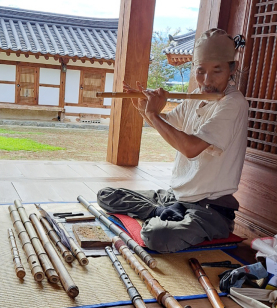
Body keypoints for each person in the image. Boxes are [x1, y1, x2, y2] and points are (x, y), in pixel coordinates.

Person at [97, 28, 249, 253]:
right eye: (200, 71)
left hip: (210, 208)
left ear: (231, 69)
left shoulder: (233, 104)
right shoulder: (196, 98)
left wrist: (153, 116)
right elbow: (169, 122)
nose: (207, 80)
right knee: (106, 196)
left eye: (216, 71)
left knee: (157, 236)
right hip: (173, 197)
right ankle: (160, 212)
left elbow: (190, 148)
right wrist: (145, 110)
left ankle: (162, 217)